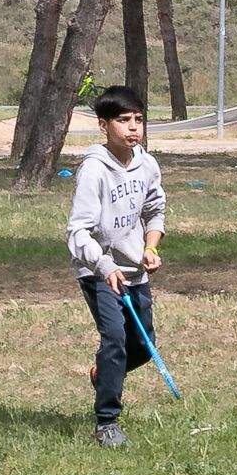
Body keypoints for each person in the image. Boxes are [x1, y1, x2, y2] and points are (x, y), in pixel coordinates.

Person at [67, 85, 167, 449]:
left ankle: (104, 374)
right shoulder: (94, 170)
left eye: (138, 119)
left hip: (133, 270)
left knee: (143, 345)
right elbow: (78, 231)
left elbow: (155, 212)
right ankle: (106, 421)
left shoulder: (147, 164)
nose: (133, 128)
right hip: (96, 271)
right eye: (123, 120)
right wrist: (105, 265)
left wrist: (150, 248)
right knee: (115, 340)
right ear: (103, 125)